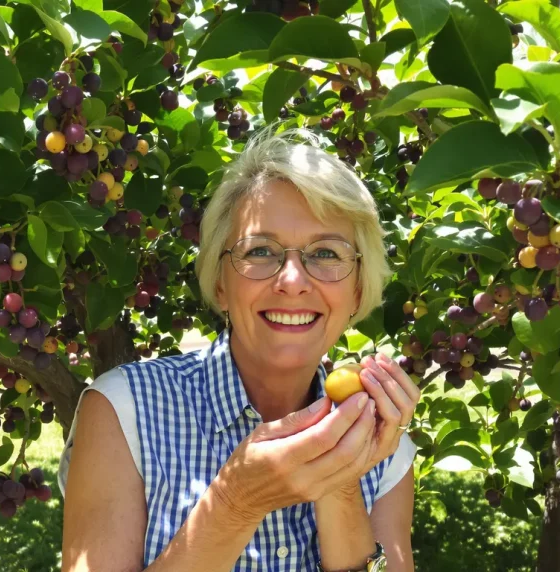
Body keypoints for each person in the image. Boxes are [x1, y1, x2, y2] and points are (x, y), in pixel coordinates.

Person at [58, 128, 422, 571]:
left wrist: (339, 481)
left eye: (326, 253)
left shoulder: (382, 443)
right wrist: (235, 503)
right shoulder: (123, 411)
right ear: (219, 282)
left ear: (358, 288)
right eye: (261, 250)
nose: (292, 280)